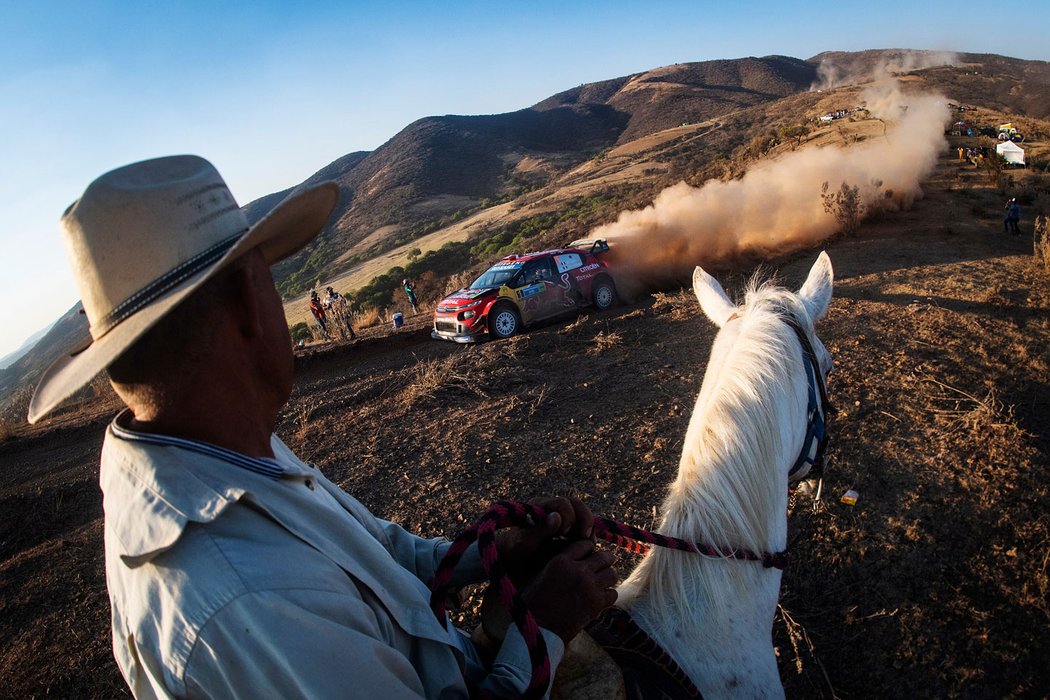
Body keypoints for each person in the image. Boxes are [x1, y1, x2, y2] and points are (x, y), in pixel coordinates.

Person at [27, 155, 617, 698]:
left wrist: (495, 551)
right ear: (244, 304)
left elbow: (382, 553)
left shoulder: (222, 453)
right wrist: (541, 630)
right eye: (268, 275)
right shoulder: (250, 600)